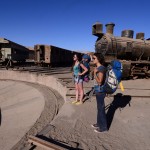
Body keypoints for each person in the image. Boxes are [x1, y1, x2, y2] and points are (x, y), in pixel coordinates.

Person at [91, 53, 108, 132]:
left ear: (98, 59)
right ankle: (99, 123)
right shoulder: (98, 67)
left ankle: (104, 127)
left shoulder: (101, 68)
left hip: (100, 91)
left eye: (94, 58)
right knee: (99, 108)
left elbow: (100, 82)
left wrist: (94, 73)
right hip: (98, 90)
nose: (92, 60)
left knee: (101, 109)